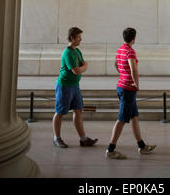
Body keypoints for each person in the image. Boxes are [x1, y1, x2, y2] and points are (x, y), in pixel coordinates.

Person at [106, 27, 156, 159]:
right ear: (134, 38)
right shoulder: (130, 52)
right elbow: (134, 68)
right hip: (128, 89)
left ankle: (142, 146)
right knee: (122, 119)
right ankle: (110, 149)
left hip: (121, 86)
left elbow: (115, 64)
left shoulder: (120, 49)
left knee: (134, 117)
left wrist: (123, 74)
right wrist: (136, 83)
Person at [52, 27, 98, 148]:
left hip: (75, 86)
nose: (80, 39)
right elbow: (77, 70)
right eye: (78, 37)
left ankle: (83, 139)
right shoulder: (67, 53)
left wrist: (83, 67)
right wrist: (85, 66)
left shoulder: (77, 51)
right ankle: (57, 138)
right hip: (64, 86)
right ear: (72, 38)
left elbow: (81, 66)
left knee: (78, 111)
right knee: (60, 112)